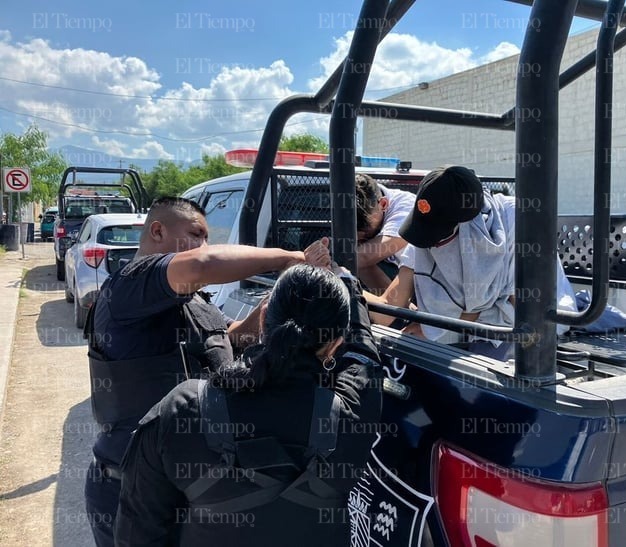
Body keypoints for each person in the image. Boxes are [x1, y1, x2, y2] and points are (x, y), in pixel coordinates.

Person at [84, 196, 331, 547]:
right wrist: (293, 257)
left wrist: (274, 305)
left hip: (192, 485)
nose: (204, 244)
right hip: (130, 489)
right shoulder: (131, 283)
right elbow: (201, 264)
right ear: (157, 231)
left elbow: (231, 339)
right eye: (196, 233)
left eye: (206, 237)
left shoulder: (194, 301)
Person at [114, 263, 383, 546]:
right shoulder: (351, 416)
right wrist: (349, 285)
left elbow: (137, 533)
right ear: (334, 345)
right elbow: (364, 362)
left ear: (264, 316)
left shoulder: (182, 410)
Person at [365, 165, 576, 360]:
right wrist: (344, 279)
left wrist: (431, 329)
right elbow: (389, 308)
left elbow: (525, 314)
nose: (429, 246)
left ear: (468, 228)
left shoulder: (516, 222)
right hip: (478, 327)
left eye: (439, 237)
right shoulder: (424, 235)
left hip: (520, 329)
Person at [355, 173, 415, 292]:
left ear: (383, 204)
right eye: (355, 228)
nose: (359, 235)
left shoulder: (406, 208)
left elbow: (365, 256)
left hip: (436, 281)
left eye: (365, 227)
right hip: (402, 271)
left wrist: (321, 265)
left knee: (360, 256)